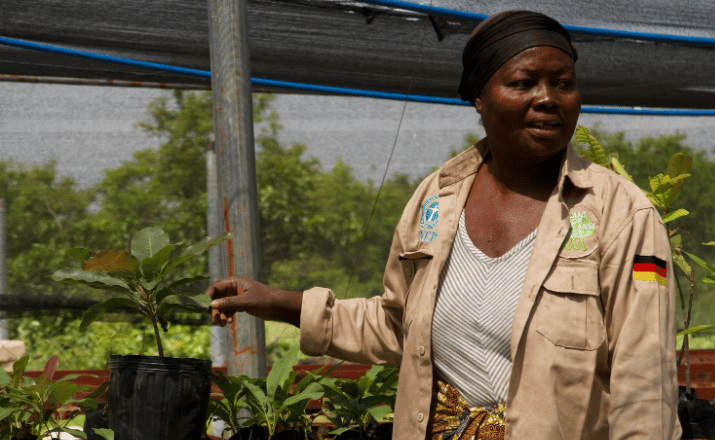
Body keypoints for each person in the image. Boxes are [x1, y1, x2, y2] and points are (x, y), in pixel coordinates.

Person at [206, 10, 681, 440]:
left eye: (563, 83)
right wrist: (278, 302)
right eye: (522, 83)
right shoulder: (437, 198)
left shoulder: (620, 215)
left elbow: (644, 379)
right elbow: (397, 324)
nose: (548, 99)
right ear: (479, 96)